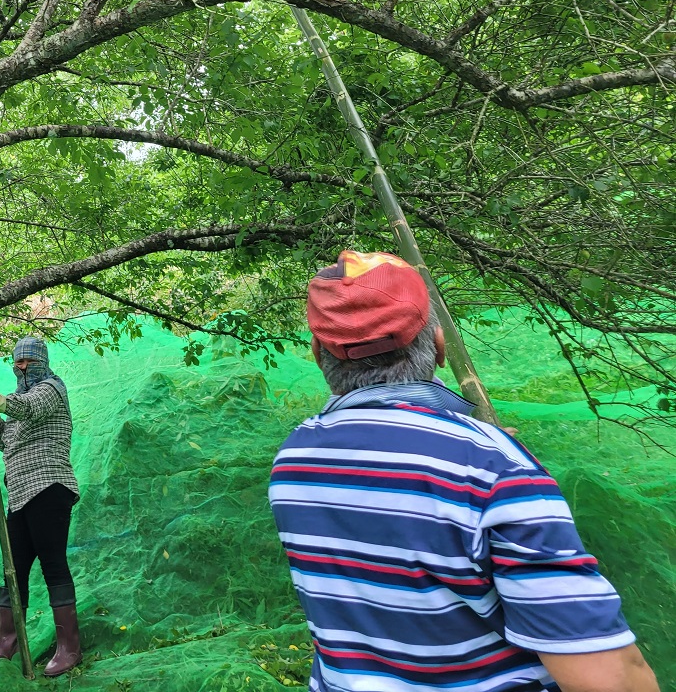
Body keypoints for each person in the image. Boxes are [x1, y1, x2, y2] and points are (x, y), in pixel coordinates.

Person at [269, 250, 659, 692]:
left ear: (318, 351)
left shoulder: (294, 459)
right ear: (438, 346)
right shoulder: (493, 468)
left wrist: (481, 460)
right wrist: (505, 472)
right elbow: (609, 681)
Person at [0, 336, 82, 677]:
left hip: (49, 486)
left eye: (28, 361)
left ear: (42, 362)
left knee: (52, 563)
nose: (21, 367)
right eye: (17, 362)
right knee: (13, 569)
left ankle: (69, 646)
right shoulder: (16, 402)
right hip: (19, 494)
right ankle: (7, 643)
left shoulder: (51, 389)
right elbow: (5, 442)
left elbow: (29, 407)